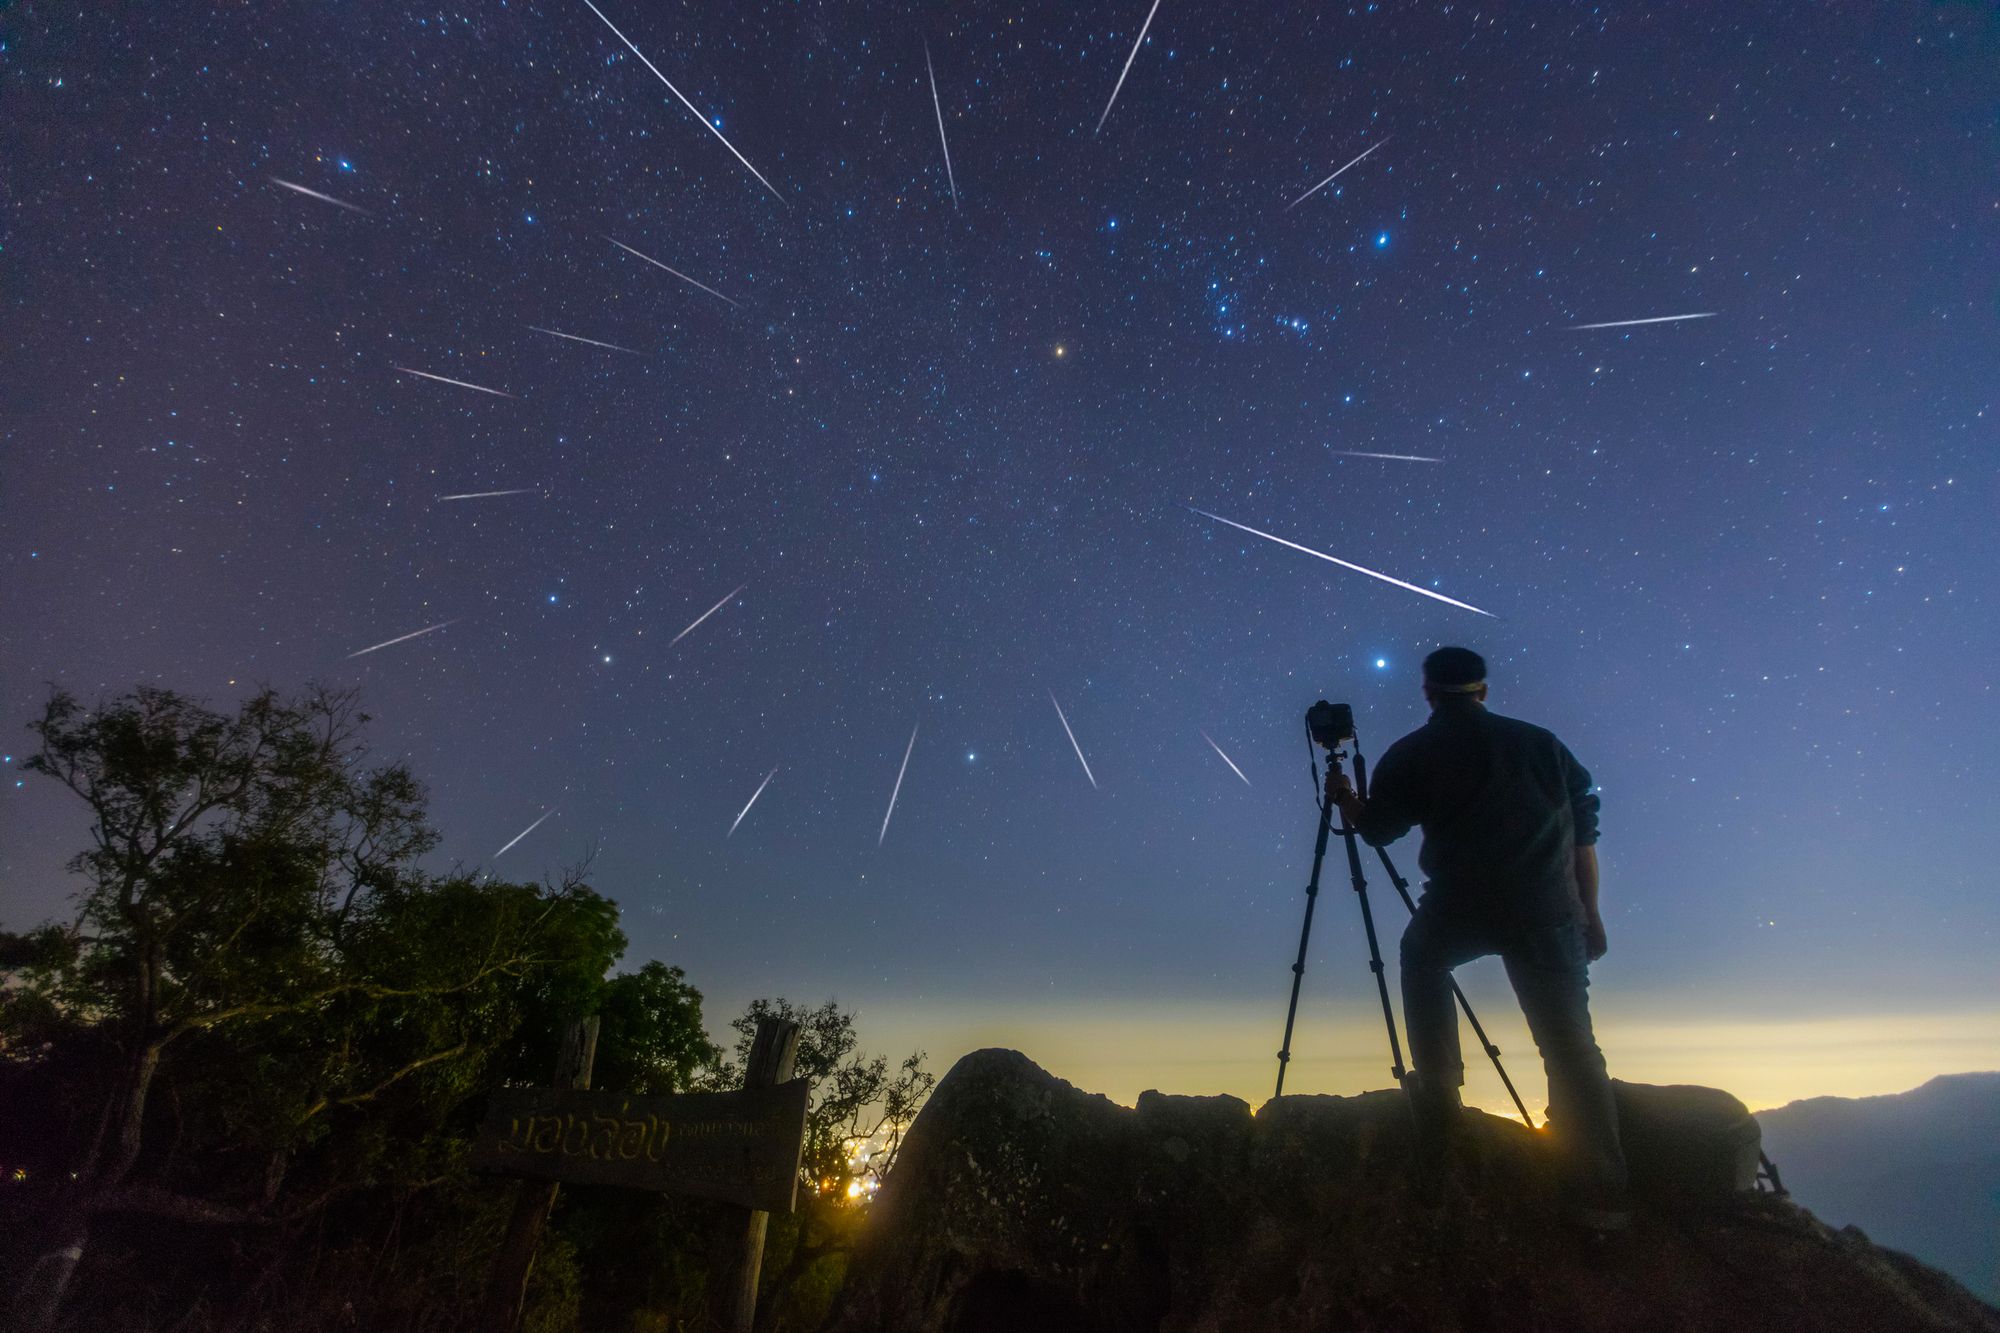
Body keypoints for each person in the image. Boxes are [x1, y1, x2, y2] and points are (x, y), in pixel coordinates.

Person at [1327, 646, 1630, 1231]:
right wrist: (1590, 915)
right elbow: (1581, 838)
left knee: (1421, 957)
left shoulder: (1414, 753)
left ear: (1429, 692)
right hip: (1548, 910)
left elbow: (1380, 831)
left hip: (1461, 906)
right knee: (1569, 1043)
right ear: (1483, 689)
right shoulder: (1543, 745)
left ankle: (1439, 1097)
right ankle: (1603, 1197)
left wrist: (1346, 799)